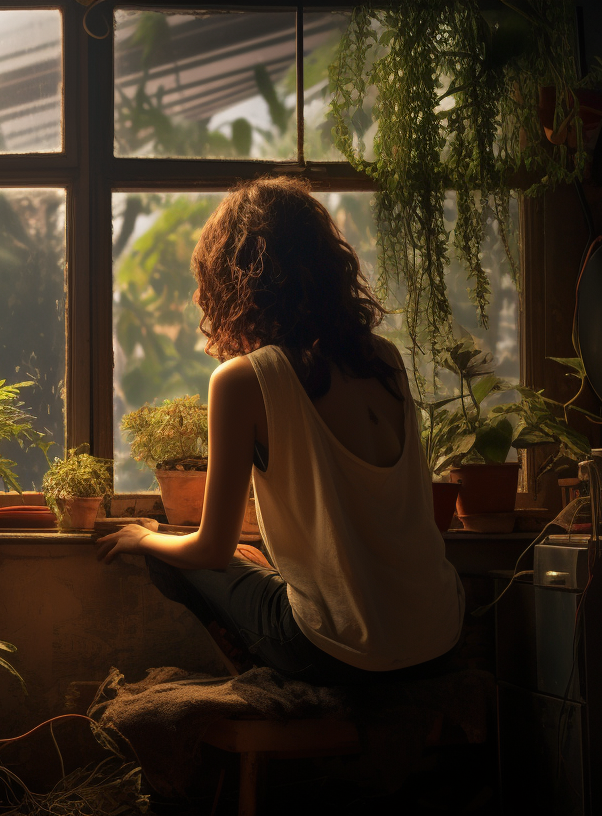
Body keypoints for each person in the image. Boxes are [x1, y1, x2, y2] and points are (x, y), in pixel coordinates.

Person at [97, 176, 463, 685]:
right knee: (247, 568)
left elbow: (210, 551)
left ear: (232, 278)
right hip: (439, 637)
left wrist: (145, 535)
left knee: (167, 557)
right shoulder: (384, 359)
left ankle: (265, 683)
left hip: (344, 656)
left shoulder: (245, 378)